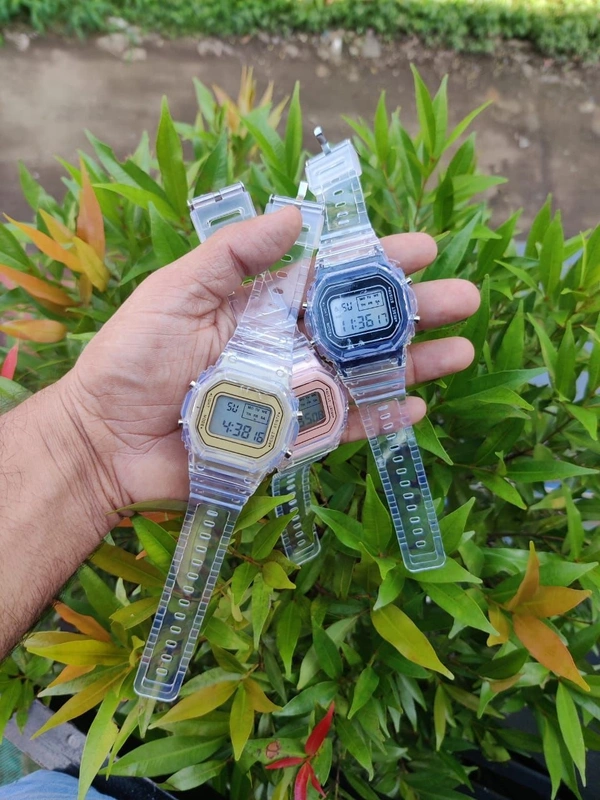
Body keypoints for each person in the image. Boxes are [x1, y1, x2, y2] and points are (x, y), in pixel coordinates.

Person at [0, 207, 479, 797]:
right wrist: (84, 440)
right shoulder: (224, 392)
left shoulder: (259, 398)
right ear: (196, 402)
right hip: (219, 452)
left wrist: (80, 446)